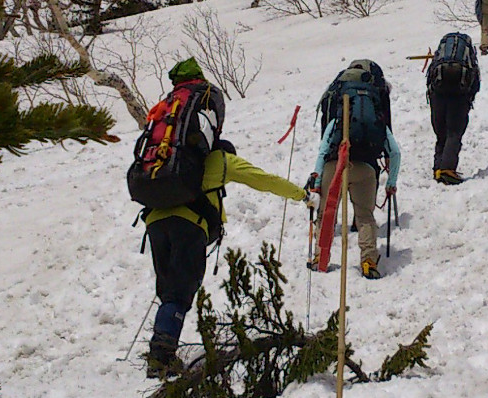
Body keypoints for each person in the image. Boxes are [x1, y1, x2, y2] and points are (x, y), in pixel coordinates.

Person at [142, 59, 309, 378]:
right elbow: (263, 179)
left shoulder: (167, 148)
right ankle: (161, 357)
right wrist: (300, 194)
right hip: (189, 225)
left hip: (154, 217)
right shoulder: (218, 159)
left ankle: (161, 345)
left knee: (169, 289)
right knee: (181, 290)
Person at [311, 67, 402, 279]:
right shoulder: (376, 120)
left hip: (335, 167)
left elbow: (324, 150)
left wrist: (316, 178)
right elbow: (395, 152)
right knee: (365, 218)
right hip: (366, 169)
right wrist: (391, 182)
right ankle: (369, 260)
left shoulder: (338, 118)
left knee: (326, 214)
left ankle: (320, 257)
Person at [425, 32, 480, 185]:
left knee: (441, 133)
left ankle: (438, 168)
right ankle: (447, 169)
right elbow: (476, 82)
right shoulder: (467, 59)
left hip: (438, 97)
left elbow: (430, 77)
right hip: (459, 97)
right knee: (454, 132)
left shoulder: (440, 57)